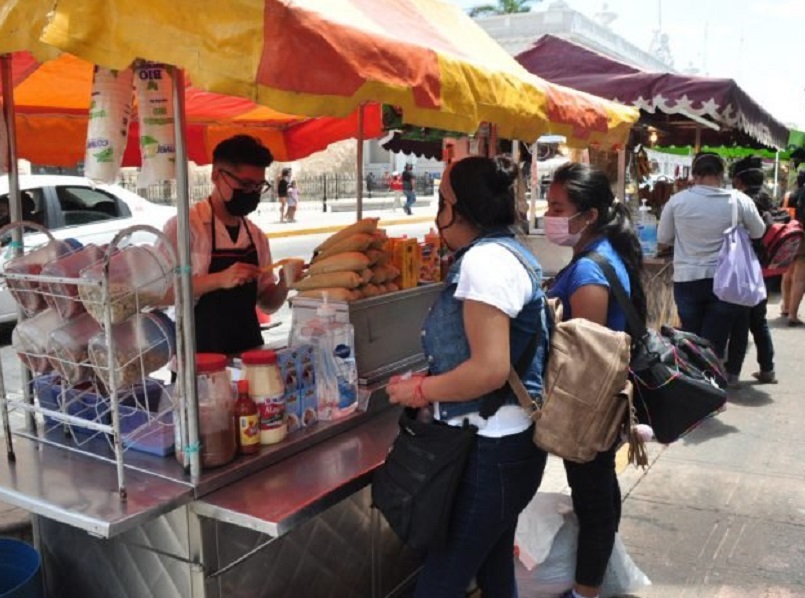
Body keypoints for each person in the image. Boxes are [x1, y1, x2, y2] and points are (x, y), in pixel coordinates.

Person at [387, 155, 549, 597]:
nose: (437, 212)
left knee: (442, 580)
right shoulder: (506, 250)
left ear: (460, 208)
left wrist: (419, 389)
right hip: (507, 446)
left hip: (491, 451)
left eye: (442, 200)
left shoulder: (485, 264)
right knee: (495, 569)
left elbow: (489, 370)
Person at [543, 163, 647, 598]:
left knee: (594, 499)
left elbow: (585, 357)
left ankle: (585, 590)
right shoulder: (600, 252)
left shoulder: (589, 271)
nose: (548, 214)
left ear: (588, 216)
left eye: (556, 207)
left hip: (590, 407)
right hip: (603, 403)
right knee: (599, 492)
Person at [161, 135, 294, 354]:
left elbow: (266, 304)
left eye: (258, 186)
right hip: (198, 359)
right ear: (216, 176)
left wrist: (284, 284)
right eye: (245, 184)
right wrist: (219, 280)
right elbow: (160, 294)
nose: (251, 192)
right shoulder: (185, 228)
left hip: (250, 355)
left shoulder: (256, 236)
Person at [657, 153, 766, 379]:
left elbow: (664, 237)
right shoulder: (739, 200)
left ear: (694, 175)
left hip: (687, 279)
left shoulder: (677, 201)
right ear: (721, 174)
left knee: (690, 339)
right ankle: (710, 388)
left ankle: (693, 388)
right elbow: (759, 231)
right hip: (726, 282)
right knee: (714, 342)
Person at [726, 156, 777, 383]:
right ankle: (768, 370)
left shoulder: (744, 202)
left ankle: (732, 374)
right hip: (764, 270)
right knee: (759, 321)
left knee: (740, 322)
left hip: (745, 270)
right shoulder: (768, 199)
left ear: (740, 181)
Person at [781, 170, 805, 325]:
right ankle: (793, 315)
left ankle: (786, 306)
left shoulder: (789, 195)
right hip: (803, 237)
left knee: (787, 274)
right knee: (800, 278)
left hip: (788, 235)